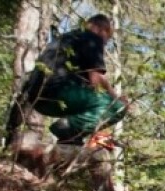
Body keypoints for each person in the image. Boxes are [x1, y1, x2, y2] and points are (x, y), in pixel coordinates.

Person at [7, 14, 128, 147]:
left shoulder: (66, 39)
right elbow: (96, 79)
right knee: (117, 108)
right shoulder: (92, 37)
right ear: (101, 29)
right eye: (107, 38)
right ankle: (67, 129)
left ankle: (71, 140)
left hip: (38, 100)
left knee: (87, 108)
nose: (105, 43)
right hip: (59, 92)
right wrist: (116, 98)